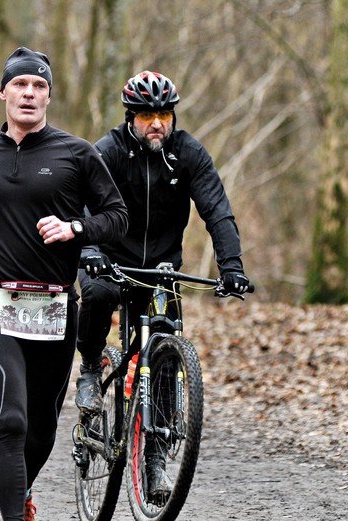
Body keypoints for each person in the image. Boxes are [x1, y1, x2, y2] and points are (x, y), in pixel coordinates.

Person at [0, 47, 128, 521]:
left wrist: (76, 229)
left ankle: (20, 492)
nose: (29, 93)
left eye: (39, 86)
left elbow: (117, 217)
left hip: (54, 309)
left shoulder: (77, 153)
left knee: (42, 428)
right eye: (20, 85)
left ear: (49, 95)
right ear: (3, 92)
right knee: (12, 419)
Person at [75, 70, 251, 500]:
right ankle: (91, 368)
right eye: (147, 115)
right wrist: (90, 250)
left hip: (162, 267)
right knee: (97, 295)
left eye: (164, 114)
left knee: (167, 346)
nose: (157, 123)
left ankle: (154, 462)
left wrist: (232, 266)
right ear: (130, 117)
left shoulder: (188, 153)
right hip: (108, 260)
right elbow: (81, 201)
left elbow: (217, 209)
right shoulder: (109, 151)